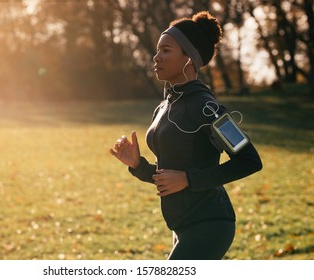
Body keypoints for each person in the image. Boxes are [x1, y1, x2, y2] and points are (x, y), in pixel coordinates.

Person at [109, 11, 262, 260]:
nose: (156, 57)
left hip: (210, 224)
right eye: (157, 50)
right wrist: (138, 165)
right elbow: (170, 177)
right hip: (182, 224)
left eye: (166, 50)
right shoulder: (164, 107)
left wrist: (190, 179)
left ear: (189, 58)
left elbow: (250, 160)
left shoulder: (207, 108)